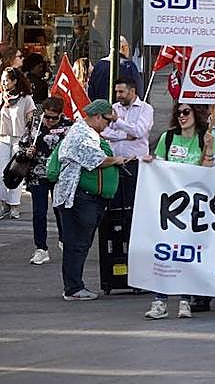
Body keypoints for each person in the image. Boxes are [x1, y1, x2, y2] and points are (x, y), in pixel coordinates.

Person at [143, 100, 214, 319]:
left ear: (196, 114)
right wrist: (151, 162)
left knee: (186, 254)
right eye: (179, 113)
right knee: (165, 252)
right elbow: (161, 167)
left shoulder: (205, 138)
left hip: (195, 206)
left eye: (186, 112)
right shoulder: (168, 137)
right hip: (170, 205)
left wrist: (210, 149)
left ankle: (185, 300)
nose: (182, 116)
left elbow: (208, 172)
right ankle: (160, 301)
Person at [53, 100, 130, 301]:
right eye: (107, 120)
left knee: (79, 243)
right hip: (79, 198)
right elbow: (96, 160)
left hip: (83, 199)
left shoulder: (87, 133)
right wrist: (117, 160)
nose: (108, 125)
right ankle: (73, 288)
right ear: (97, 116)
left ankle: (74, 286)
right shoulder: (81, 134)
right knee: (77, 243)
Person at [17, 97, 72, 265]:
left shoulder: (68, 126)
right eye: (47, 116)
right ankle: (41, 248)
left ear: (60, 115)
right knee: (39, 213)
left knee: (60, 210)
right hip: (37, 174)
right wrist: (27, 151)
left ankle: (64, 240)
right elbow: (22, 144)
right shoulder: (35, 123)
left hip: (59, 175)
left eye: (53, 118)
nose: (49, 121)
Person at [0, 66, 35, 218]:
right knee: (1, 173)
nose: (4, 83)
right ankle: (3, 203)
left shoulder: (26, 99)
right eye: (2, 80)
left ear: (14, 81)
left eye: (6, 80)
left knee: (15, 172)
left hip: (19, 140)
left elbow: (31, 120)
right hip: (2, 138)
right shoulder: (1, 97)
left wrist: (29, 140)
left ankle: (14, 205)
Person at [101, 76, 153, 159]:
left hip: (136, 160)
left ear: (132, 91)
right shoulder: (114, 107)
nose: (118, 95)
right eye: (116, 92)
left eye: (121, 92)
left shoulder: (146, 109)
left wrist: (117, 120)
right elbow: (103, 132)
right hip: (114, 159)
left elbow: (139, 132)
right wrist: (124, 135)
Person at [86, 36, 144, 102]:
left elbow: (91, 91)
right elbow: (138, 91)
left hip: (101, 109)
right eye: (128, 46)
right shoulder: (129, 66)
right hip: (122, 109)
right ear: (123, 47)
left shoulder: (99, 65)